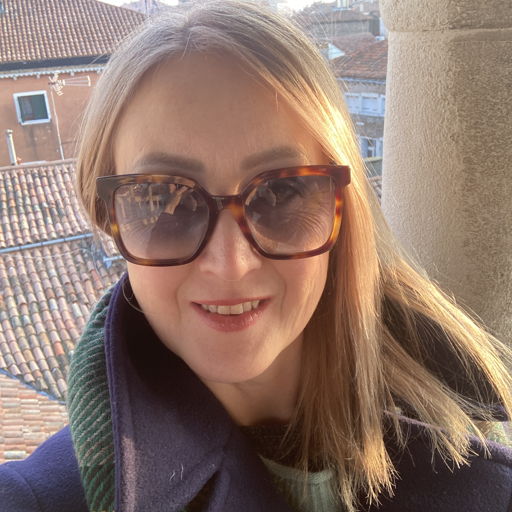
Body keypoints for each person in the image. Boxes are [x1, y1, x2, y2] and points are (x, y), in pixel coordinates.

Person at [1, 1, 512, 511]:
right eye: (162, 199)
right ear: (107, 214)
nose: (232, 263)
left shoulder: (470, 413)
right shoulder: (40, 499)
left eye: (281, 192)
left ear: (342, 208)